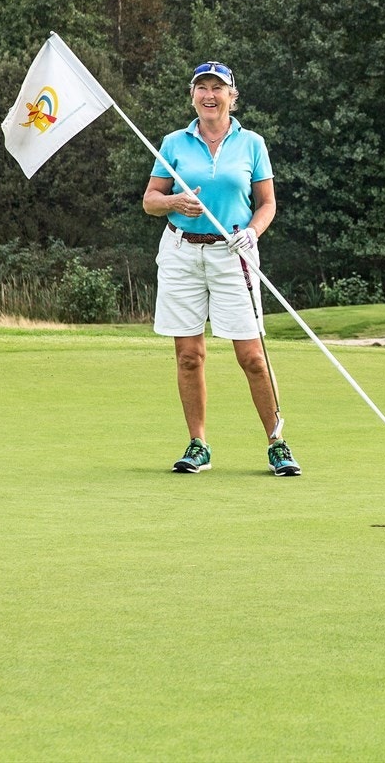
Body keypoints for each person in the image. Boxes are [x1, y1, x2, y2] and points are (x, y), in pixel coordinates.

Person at [141, 61, 300, 477]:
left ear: (232, 96)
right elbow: (150, 200)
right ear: (192, 95)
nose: (209, 95)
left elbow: (267, 204)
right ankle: (198, 445)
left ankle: (278, 443)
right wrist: (175, 201)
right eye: (202, 88)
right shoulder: (174, 143)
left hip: (233, 254)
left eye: (218, 88)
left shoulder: (252, 144)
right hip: (181, 253)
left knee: (252, 356)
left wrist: (252, 232)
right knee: (189, 356)